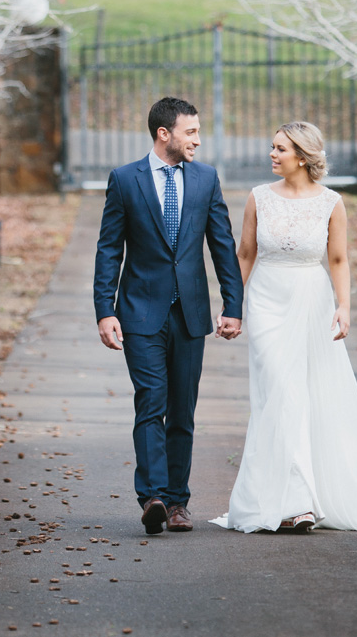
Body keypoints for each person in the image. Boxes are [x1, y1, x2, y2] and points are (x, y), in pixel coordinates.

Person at [211, 121, 357, 534]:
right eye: (272, 147)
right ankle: (289, 500)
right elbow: (245, 254)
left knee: (302, 394)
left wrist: (344, 307)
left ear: (302, 155)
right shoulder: (259, 198)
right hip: (266, 302)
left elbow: (338, 260)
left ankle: (300, 502)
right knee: (277, 392)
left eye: (280, 149)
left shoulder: (331, 203)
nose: (272, 155)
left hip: (311, 300)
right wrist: (232, 307)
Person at [94, 96, 244, 535]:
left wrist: (232, 306)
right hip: (140, 312)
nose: (197, 139)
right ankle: (154, 497)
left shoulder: (206, 178)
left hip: (190, 314)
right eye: (190, 132)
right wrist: (106, 310)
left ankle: (178, 502)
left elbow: (222, 246)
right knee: (150, 402)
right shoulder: (125, 180)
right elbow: (109, 249)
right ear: (165, 134)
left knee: (182, 411)